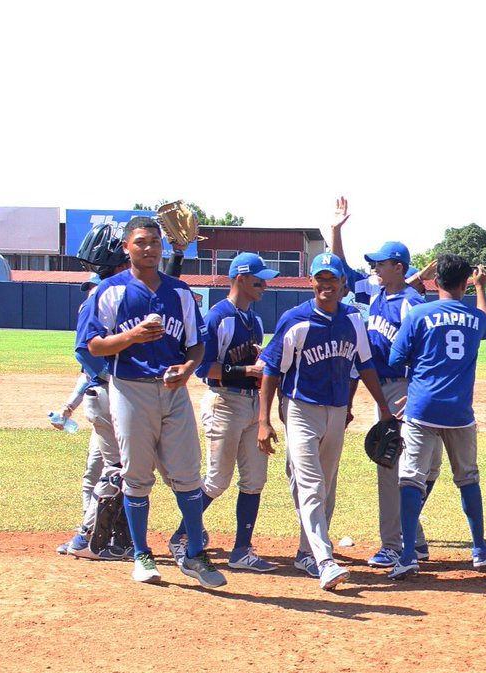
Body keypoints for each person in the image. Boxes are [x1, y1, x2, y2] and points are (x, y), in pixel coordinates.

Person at [81, 217, 224, 588]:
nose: (149, 249)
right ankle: (142, 554)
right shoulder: (110, 292)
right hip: (129, 389)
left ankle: (195, 553)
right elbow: (92, 346)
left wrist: (189, 367)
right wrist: (130, 336)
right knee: (137, 476)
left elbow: (196, 344)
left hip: (173, 390)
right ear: (127, 247)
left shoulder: (179, 292)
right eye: (141, 242)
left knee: (188, 475)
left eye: (155, 242)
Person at [258, 253, 392, 591]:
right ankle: (325, 559)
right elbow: (273, 370)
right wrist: (264, 419)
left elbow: (364, 365)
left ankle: (306, 551)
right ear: (311, 281)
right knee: (311, 484)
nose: (326, 285)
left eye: (333, 279)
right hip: (300, 408)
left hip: (335, 411)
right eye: (320, 278)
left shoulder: (352, 320)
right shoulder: (296, 319)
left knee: (324, 485)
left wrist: (382, 407)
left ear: (344, 285)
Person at [330, 197, 441, 568]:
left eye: (380, 262)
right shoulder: (375, 292)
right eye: (374, 263)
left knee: (412, 465)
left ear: (398, 267)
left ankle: (398, 543)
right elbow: (341, 271)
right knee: (395, 463)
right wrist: (335, 230)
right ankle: (408, 539)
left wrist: (416, 391)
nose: (374, 266)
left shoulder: (409, 303)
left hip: (405, 388)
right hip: (382, 389)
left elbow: (425, 350)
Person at [386, 254, 486, 579]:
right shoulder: (476, 319)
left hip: (422, 407)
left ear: (436, 282)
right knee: (468, 478)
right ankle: (480, 549)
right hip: (459, 411)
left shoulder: (419, 313)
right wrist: (480, 288)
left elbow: (396, 359)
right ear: (465, 282)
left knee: (411, 478)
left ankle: (408, 553)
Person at [166, 252, 279, 572]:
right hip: (224, 402)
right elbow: (204, 369)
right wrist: (248, 370)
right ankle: (181, 536)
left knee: (255, 479)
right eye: (259, 280)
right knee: (217, 480)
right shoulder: (218, 317)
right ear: (240, 279)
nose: (264, 286)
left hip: (252, 404)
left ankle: (242, 550)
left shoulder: (253, 320)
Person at [58, 224, 133, 561]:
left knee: (97, 469)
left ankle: (115, 535)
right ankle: (88, 537)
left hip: (102, 396)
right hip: (110, 396)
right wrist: (109, 377)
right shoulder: (105, 294)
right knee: (117, 468)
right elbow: (83, 352)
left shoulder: (114, 292)